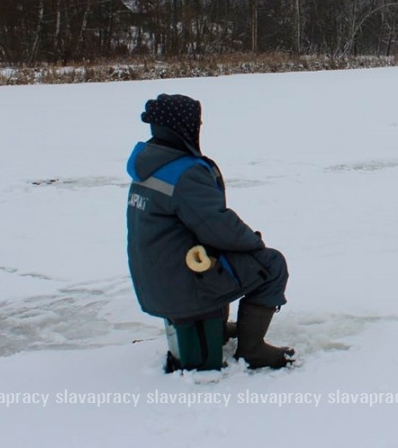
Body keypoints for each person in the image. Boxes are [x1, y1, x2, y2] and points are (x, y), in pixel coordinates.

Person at [126, 93, 294, 369]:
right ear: (183, 126)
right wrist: (254, 243)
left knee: (222, 257)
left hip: (158, 281)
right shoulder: (184, 172)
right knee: (271, 264)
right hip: (180, 286)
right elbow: (217, 226)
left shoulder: (151, 165)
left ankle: (214, 325)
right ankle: (253, 351)